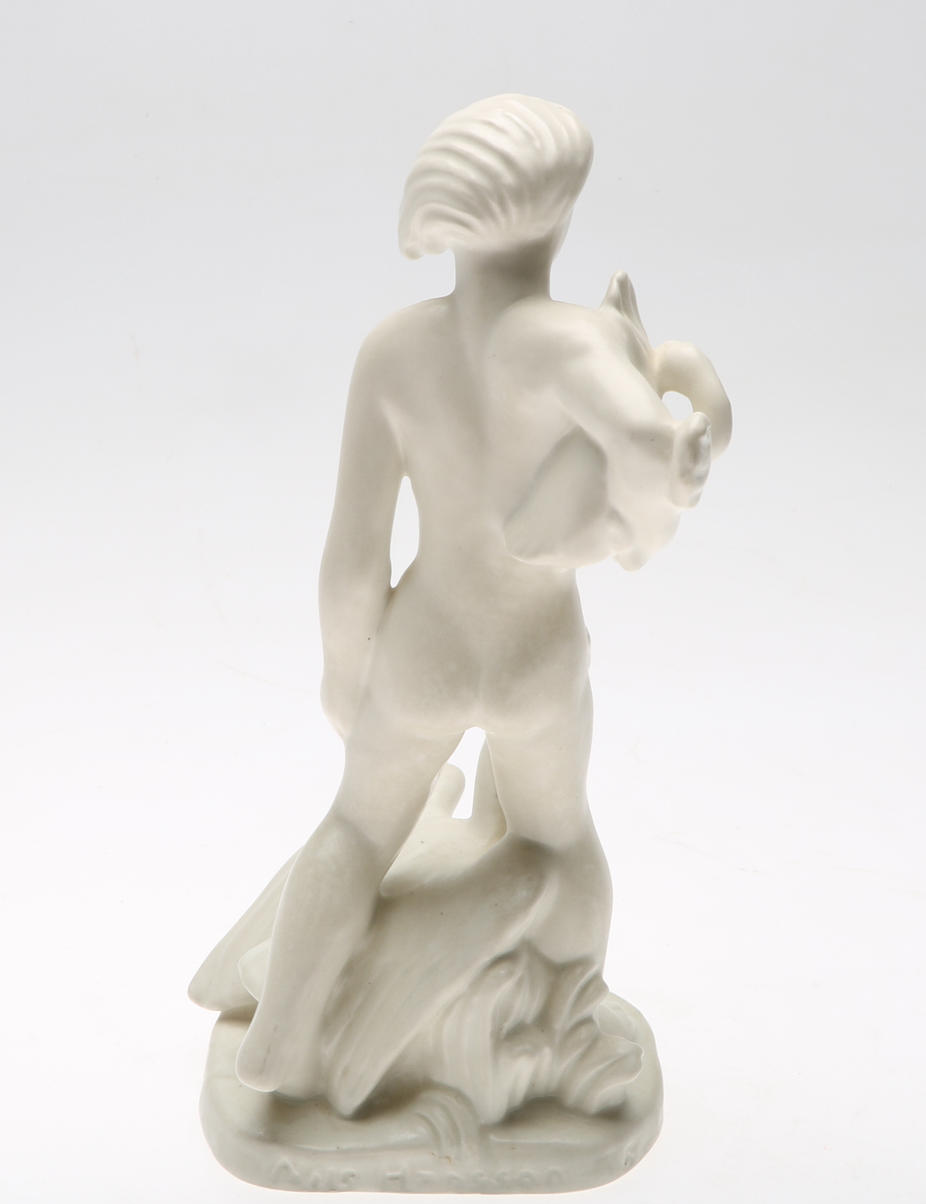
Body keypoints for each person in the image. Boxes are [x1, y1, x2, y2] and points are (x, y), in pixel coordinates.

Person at [193, 94, 726, 1106]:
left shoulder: (392, 353)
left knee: (356, 833)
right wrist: (684, 429)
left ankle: (284, 1035)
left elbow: (353, 554)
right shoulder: (577, 343)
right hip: (533, 651)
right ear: (560, 213)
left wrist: (344, 672)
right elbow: (642, 464)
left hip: (425, 643)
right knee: (558, 845)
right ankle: (555, 1021)